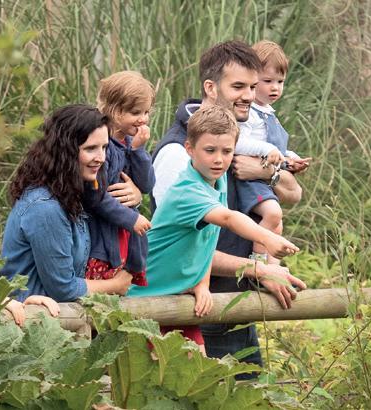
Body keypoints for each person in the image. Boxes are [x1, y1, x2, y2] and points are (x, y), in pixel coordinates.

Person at [151, 40, 307, 376]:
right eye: (238, 87)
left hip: (236, 306)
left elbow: (294, 193)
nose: (249, 96)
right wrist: (258, 269)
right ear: (211, 87)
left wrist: (264, 171)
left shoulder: (234, 142)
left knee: (252, 393)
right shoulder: (178, 154)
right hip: (193, 311)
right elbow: (180, 248)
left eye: (252, 86)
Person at [128, 105, 298, 355]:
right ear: (189, 149)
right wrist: (267, 238)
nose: (219, 159)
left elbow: (206, 241)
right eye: (210, 151)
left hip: (178, 297)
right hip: (146, 297)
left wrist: (201, 284)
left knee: (198, 372)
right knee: (150, 374)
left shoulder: (217, 180)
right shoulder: (188, 190)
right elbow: (228, 218)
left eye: (226, 151)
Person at [0, 104, 133, 304]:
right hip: (29, 316)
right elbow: (63, 288)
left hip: (58, 317)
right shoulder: (45, 207)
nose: (101, 158)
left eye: (104, 147)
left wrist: (135, 195)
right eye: (90, 148)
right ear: (66, 151)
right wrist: (115, 285)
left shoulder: (71, 193)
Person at [236, 40, 312, 265]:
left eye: (280, 82)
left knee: (277, 224)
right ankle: (258, 263)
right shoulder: (248, 112)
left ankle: (272, 269)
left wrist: (291, 158)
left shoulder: (268, 112)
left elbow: (276, 146)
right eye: (267, 81)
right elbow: (239, 142)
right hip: (250, 181)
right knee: (273, 215)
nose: (275, 88)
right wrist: (267, 149)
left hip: (264, 178)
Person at [83, 71, 155, 287]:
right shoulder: (103, 149)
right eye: (135, 112)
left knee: (123, 287)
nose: (143, 119)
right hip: (103, 240)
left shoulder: (131, 143)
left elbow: (146, 184)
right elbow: (95, 196)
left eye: (146, 112)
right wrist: (131, 219)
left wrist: (138, 150)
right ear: (114, 111)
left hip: (124, 237)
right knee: (105, 291)